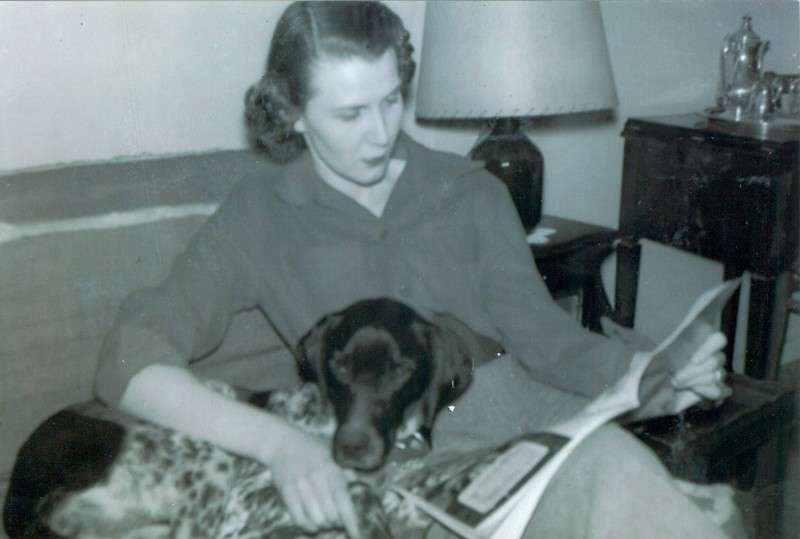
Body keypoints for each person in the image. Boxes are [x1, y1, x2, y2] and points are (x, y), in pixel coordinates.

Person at [94, 2, 734, 538]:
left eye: (391, 100)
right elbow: (129, 357)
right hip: (415, 458)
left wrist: (656, 372)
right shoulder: (260, 213)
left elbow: (544, 336)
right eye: (350, 114)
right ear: (291, 113)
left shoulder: (470, 189)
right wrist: (280, 446)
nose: (380, 133)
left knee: (614, 469)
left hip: (539, 416)